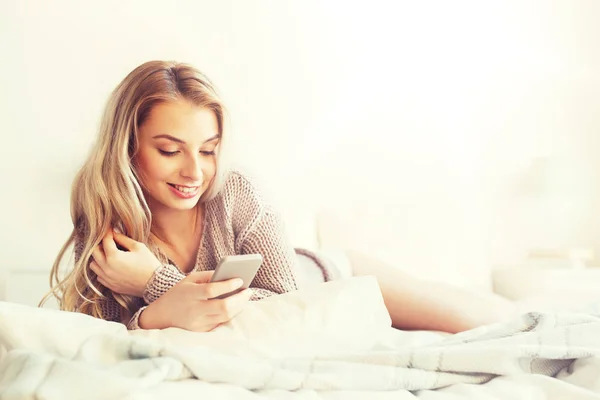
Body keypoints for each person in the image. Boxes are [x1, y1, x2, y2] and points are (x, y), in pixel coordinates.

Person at [43, 60, 515, 333]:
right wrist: (153, 314)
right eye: (170, 150)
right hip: (308, 306)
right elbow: (109, 335)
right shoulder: (107, 221)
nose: (194, 172)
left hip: (328, 279)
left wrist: (156, 284)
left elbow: (286, 305)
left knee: (487, 319)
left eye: (208, 150)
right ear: (128, 146)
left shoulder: (234, 191)